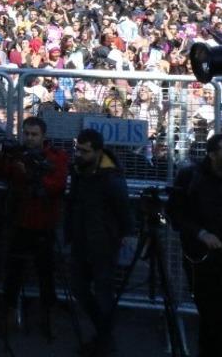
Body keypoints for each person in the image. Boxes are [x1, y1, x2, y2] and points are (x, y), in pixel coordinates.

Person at [167, 134, 222, 357]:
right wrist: (201, 234)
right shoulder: (191, 176)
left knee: (220, 312)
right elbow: (175, 213)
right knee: (209, 311)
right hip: (199, 256)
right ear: (212, 154)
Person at [0, 116, 69, 338]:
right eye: (26, 133)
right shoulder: (19, 154)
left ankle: (47, 315)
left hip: (44, 222)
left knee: (45, 271)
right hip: (19, 220)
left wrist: (31, 174)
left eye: (34, 134)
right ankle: (9, 312)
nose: (29, 138)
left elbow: (57, 185)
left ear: (43, 136)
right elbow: (2, 171)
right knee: (14, 270)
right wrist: (1, 155)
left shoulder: (56, 156)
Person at [65, 128, 133, 357]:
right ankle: (103, 333)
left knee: (103, 292)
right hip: (81, 239)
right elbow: (74, 202)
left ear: (97, 151)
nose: (79, 154)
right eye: (78, 149)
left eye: (84, 151)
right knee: (79, 287)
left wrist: (124, 234)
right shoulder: (80, 170)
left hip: (103, 243)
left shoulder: (111, 177)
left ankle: (105, 340)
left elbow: (123, 209)